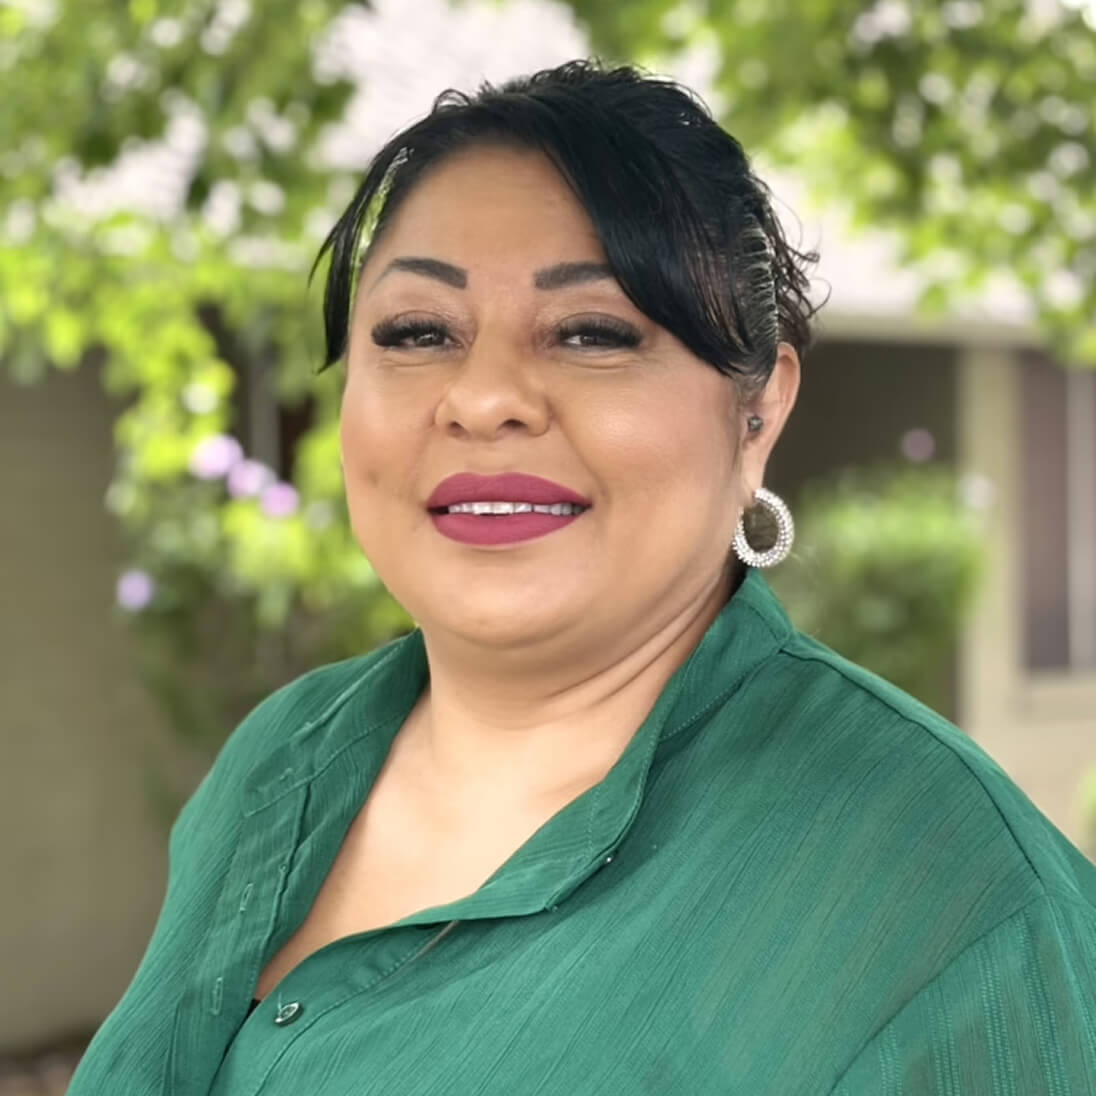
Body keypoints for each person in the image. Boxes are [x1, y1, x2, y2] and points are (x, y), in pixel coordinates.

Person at [67, 61, 1096, 1096]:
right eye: (418, 332)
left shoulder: (957, 910)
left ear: (757, 413)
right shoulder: (280, 760)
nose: (483, 399)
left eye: (592, 333)